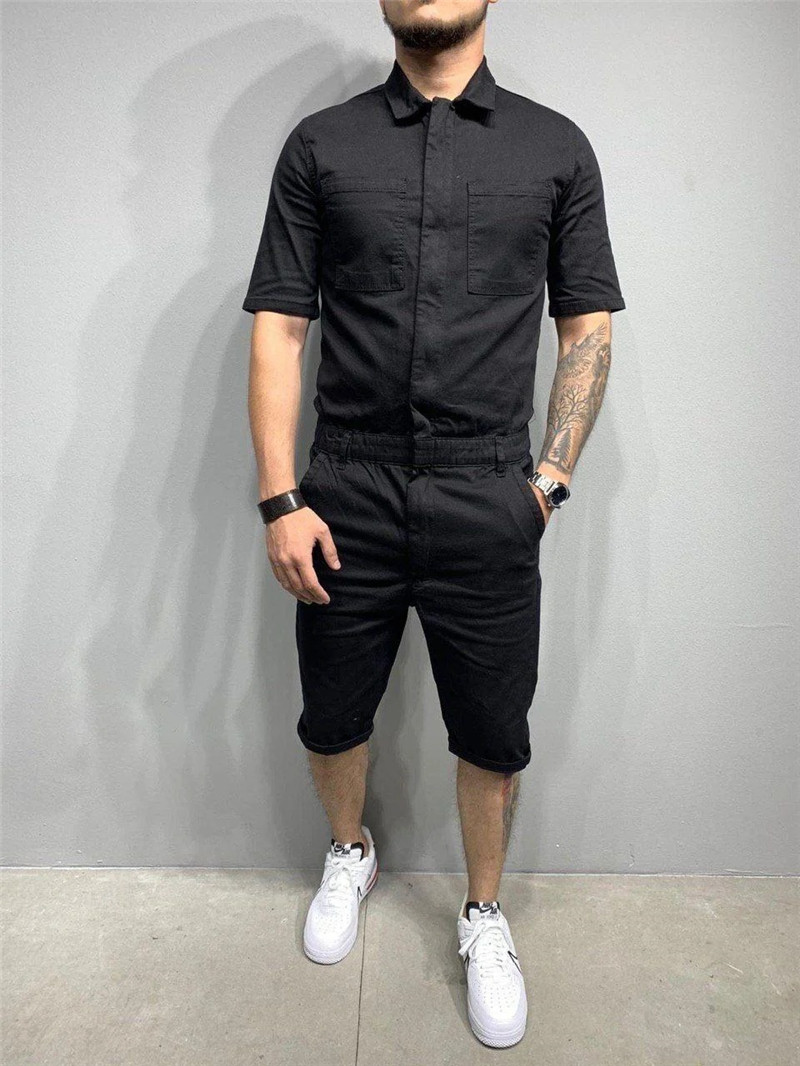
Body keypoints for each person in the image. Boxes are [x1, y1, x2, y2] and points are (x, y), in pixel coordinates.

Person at [243, 0, 625, 1049]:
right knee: (332, 710)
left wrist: (545, 482)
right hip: (345, 490)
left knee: (493, 730)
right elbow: (280, 325)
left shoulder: (555, 149)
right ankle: (349, 852)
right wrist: (281, 499)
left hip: (487, 493)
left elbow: (586, 322)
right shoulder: (321, 148)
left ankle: (483, 914)